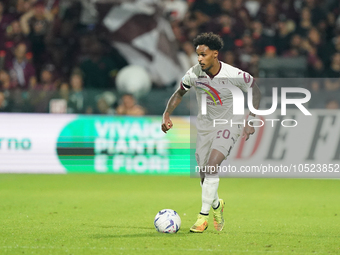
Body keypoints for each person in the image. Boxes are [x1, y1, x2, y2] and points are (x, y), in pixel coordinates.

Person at [161, 32, 261, 233]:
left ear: (215, 54)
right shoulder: (194, 74)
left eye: (203, 55)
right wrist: (166, 114)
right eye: (198, 54)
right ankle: (217, 205)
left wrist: (251, 120)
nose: (199, 59)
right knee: (204, 174)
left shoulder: (234, 74)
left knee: (213, 165)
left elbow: (255, 90)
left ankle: (203, 217)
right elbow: (179, 93)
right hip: (205, 128)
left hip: (229, 124)